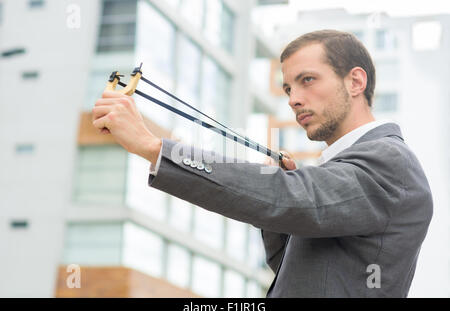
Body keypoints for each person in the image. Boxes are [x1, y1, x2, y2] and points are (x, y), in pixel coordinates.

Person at [92, 30, 433, 297]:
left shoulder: (390, 161)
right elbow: (298, 272)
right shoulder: (347, 168)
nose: (294, 99)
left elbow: (287, 197)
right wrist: (282, 206)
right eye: (287, 88)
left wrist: (155, 148)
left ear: (356, 82)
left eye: (308, 80)